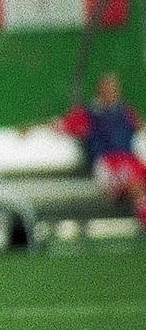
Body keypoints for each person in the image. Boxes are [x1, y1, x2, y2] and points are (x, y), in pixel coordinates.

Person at [50, 72, 145, 226]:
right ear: (99, 90)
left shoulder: (125, 112)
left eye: (114, 88)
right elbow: (59, 126)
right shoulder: (88, 114)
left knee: (137, 182)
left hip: (130, 160)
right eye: (107, 88)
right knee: (135, 186)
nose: (111, 92)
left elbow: (138, 127)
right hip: (107, 163)